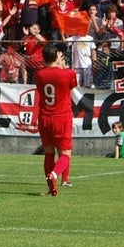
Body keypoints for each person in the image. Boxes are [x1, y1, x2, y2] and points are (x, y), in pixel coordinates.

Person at [35, 45, 78, 197]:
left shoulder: (38, 75)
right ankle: (55, 175)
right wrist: (61, 66)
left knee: (48, 153)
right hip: (61, 117)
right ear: (57, 57)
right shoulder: (68, 73)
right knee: (65, 154)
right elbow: (71, 86)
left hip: (44, 117)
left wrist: (56, 65)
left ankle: (51, 187)